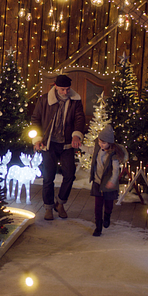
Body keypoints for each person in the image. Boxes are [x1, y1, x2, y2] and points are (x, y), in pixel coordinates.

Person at [31, 74, 86, 221]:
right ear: (55, 86)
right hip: (49, 144)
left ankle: (60, 203)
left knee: (70, 174)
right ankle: (48, 207)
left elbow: (80, 119)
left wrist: (76, 135)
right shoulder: (44, 100)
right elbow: (35, 120)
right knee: (48, 177)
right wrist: (37, 139)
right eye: (62, 89)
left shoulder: (76, 100)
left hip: (67, 144)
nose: (65, 92)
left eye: (68, 89)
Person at [89, 125, 126, 236]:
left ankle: (107, 216)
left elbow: (115, 171)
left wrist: (112, 181)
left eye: (104, 143)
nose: (101, 144)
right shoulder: (97, 148)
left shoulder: (113, 155)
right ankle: (98, 227)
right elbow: (90, 150)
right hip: (97, 182)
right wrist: (80, 146)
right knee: (98, 206)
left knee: (108, 204)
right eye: (100, 142)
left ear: (110, 143)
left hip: (108, 184)